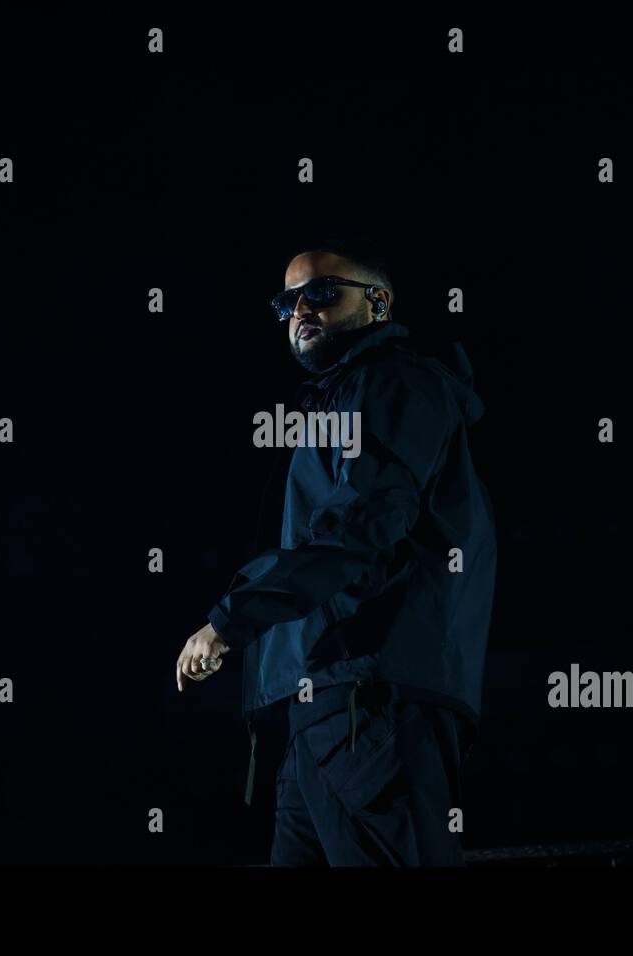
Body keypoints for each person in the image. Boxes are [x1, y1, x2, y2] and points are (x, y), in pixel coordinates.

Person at [174, 237, 496, 865]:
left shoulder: (393, 384)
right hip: (326, 706)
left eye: (321, 292)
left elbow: (363, 526)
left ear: (377, 303)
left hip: (369, 702)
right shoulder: (341, 399)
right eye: (287, 301)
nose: (300, 310)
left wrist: (231, 620)